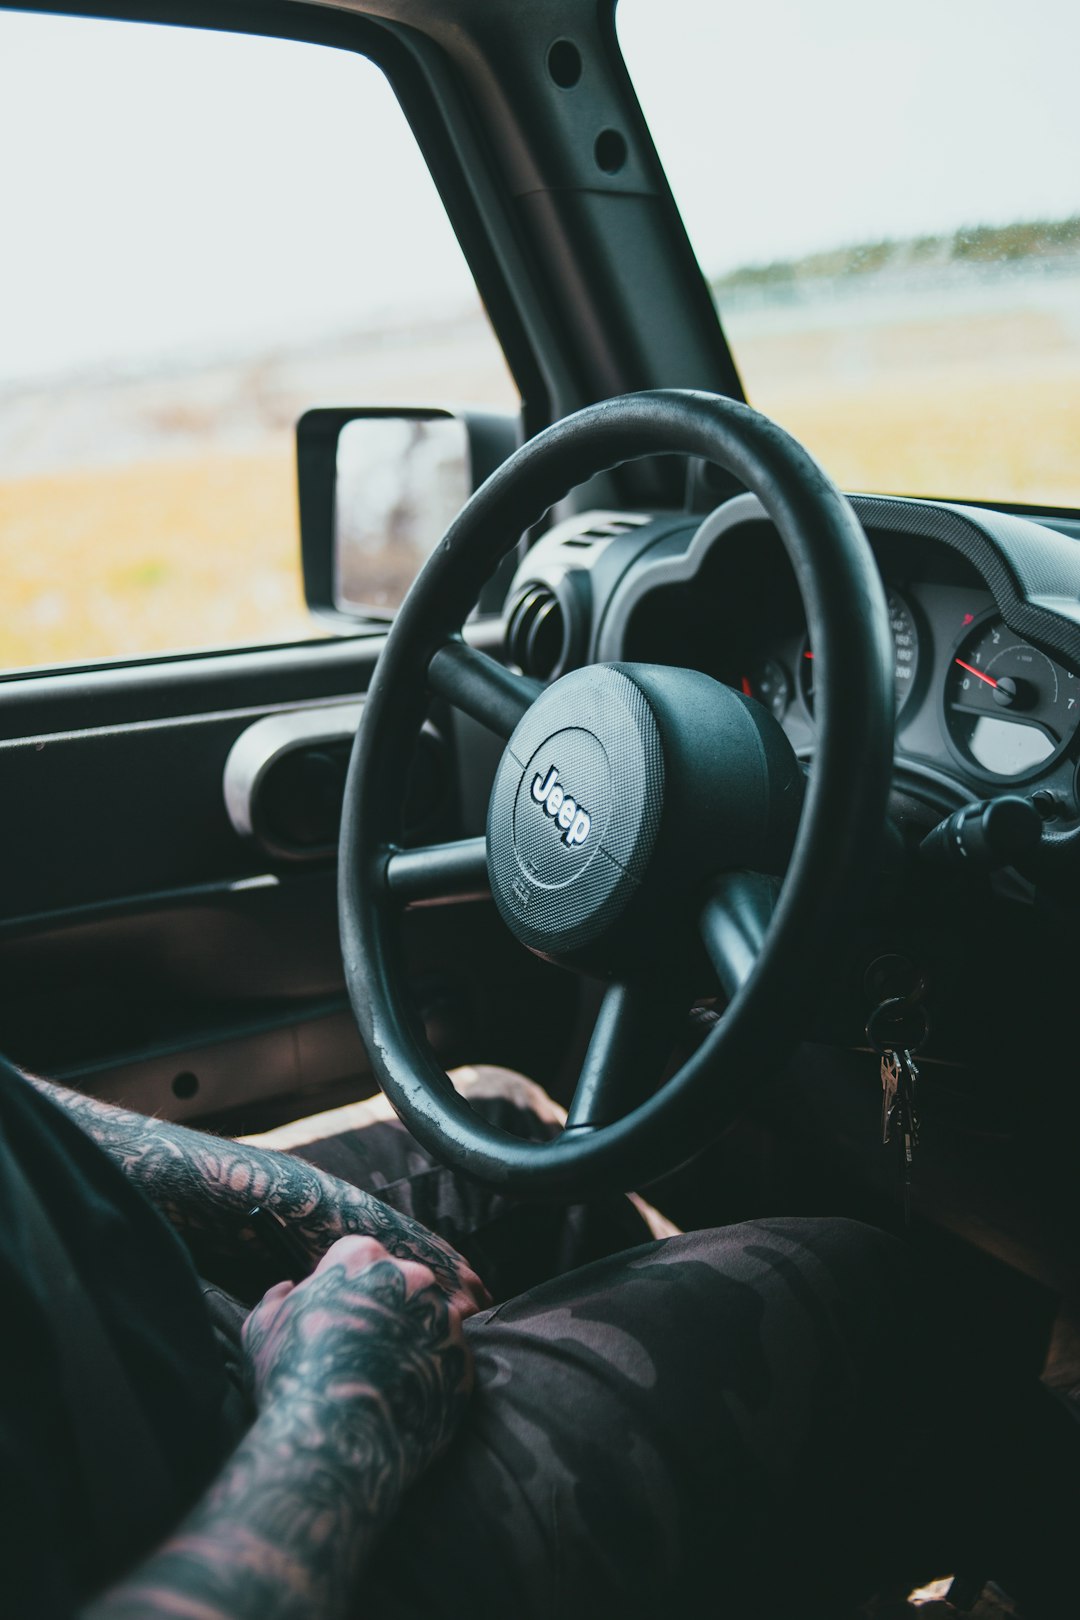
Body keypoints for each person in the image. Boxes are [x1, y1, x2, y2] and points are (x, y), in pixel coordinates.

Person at [1, 1053, 926, 1620]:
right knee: (836, 1286)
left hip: (129, 1324)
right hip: (234, 1539)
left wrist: (275, 1194)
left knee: (499, 1130)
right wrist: (339, 1415)